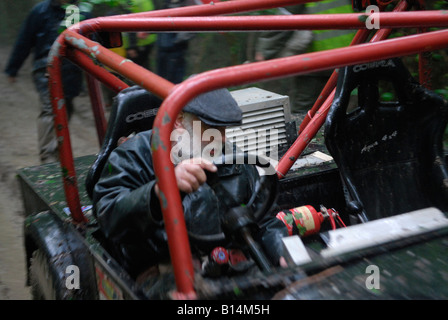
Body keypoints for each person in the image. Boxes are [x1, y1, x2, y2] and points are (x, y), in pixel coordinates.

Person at [92, 87, 289, 279]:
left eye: (223, 128)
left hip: (232, 264)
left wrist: (281, 251)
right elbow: (108, 215)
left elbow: (264, 220)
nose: (220, 138)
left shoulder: (232, 158)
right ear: (179, 121)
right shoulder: (135, 155)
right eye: (210, 128)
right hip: (162, 270)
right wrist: (159, 191)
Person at [4, 0, 90, 163]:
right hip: (46, 67)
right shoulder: (40, 11)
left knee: (67, 107)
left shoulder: (81, 11)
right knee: (50, 108)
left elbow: (93, 39)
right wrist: (13, 67)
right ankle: (48, 156)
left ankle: (57, 148)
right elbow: (25, 39)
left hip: (72, 69)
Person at [255, 1, 355, 117]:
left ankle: (304, 133)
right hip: (351, 56)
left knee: (303, 113)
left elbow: (284, 17)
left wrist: (265, 51)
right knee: (347, 110)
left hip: (315, 59)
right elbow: (373, 16)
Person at [156, 0, 194, 83]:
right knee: (161, 79)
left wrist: (176, 41)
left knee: (174, 79)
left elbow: (192, 27)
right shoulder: (166, 5)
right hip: (162, 48)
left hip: (176, 49)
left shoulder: (187, 6)